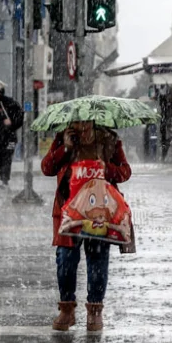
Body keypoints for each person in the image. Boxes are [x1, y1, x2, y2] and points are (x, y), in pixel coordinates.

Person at [41, 121, 132, 332]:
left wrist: (106, 168)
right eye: (77, 121)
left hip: (100, 212)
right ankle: (66, 309)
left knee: (98, 261)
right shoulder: (64, 136)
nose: (81, 125)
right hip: (68, 212)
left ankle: (95, 311)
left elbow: (125, 172)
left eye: (85, 121)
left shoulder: (108, 139)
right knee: (65, 260)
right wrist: (65, 148)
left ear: (93, 121)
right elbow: (47, 168)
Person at [0, 88, 24, 189]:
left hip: (10, 138)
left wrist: (11, 122)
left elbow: (20, 117)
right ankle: (3, 178)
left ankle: (5, 180)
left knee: (7, 158)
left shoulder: (10, 102)